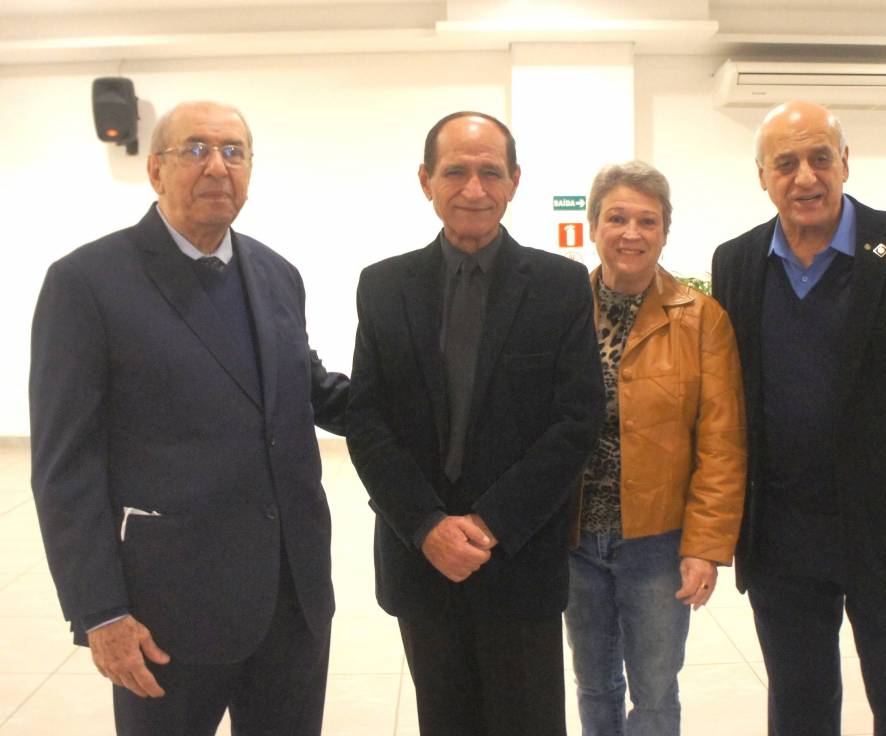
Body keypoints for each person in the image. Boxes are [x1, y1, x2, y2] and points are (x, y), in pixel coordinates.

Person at [29, 100, 349, 736]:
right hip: (167, 614)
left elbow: (307, 391)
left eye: (234, 152)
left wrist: (428, 400)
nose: (217, 167)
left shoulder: (277, 274)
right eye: (196, 150)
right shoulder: (87, 282)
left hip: (291, 600)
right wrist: (100, 613)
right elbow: (66, 468)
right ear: (155, 170)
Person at [711, 100, 886, 735]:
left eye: (819, 158)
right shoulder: (737, 262)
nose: (805, 177)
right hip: (781, 536)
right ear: (762, 175)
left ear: (844, 163)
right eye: (786, 163)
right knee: (799, 707)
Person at [345, 111, 605, 736]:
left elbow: (577, 420)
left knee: (529, 723)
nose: (474, 189)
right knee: (445, 720)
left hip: (518, 557)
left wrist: (489, 524)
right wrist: (426, 525)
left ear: (514, 181)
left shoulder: (560, 285)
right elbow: (367, 420)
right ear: (425, 181)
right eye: (455, 171)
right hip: (422, 560)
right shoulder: (383, 287)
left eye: (490, 172)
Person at [564, 161, 747, 735]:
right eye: (617, 218)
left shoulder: (702, 319)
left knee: (655, 691)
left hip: (658, 542)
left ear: (666, 230)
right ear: (593, 226)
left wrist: (705, 547)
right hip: (575, 538)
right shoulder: (563, 309)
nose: (632, 233)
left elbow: (722, 443)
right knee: (594, 684)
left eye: (648, 221)